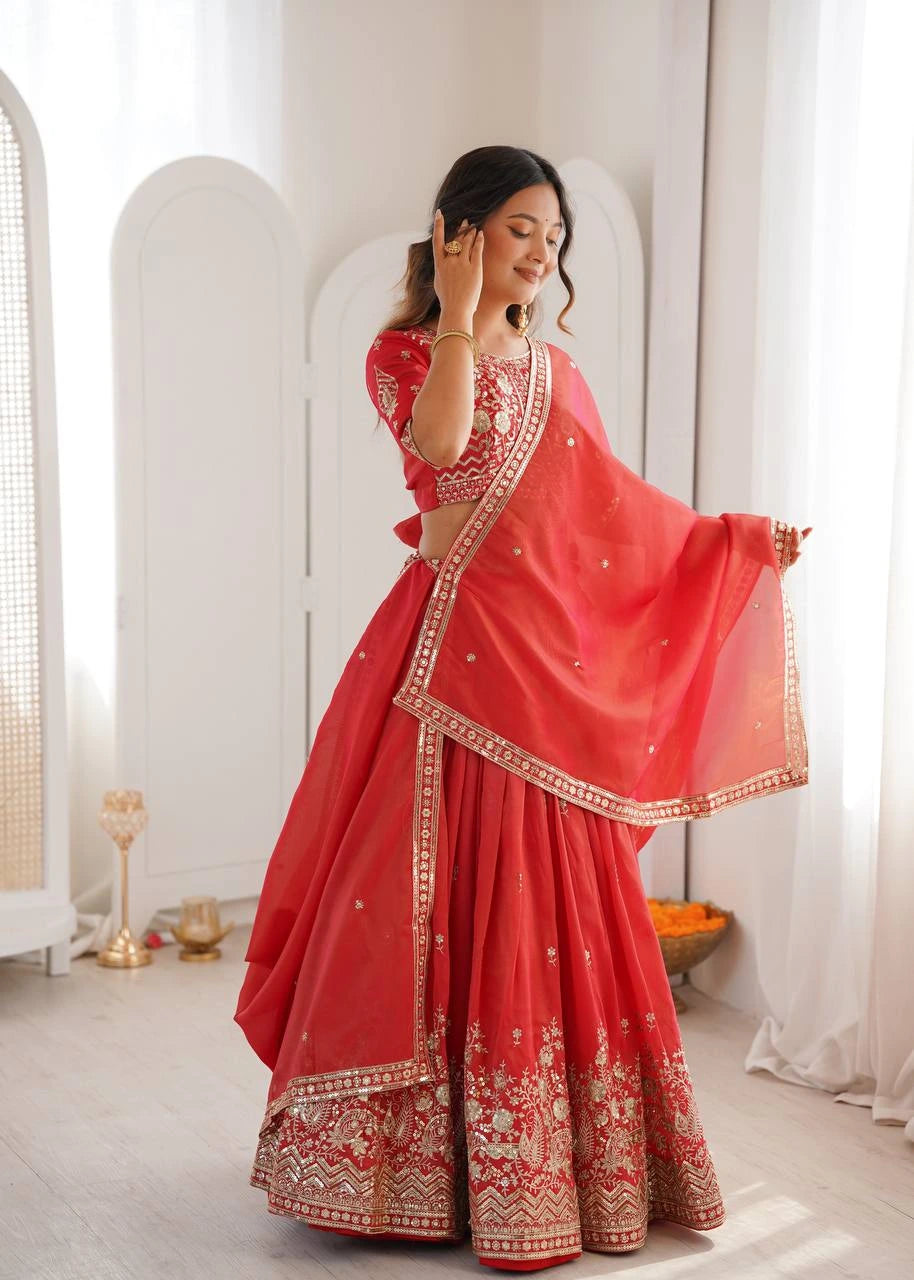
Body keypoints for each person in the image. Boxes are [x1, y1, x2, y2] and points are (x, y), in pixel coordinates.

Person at [235, 145, 812, 1272]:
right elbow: (443, 449)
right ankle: (400, 1172)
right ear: (457, 233)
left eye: (553, 236)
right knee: (404, 897)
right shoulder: (404, 352)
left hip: (538, 662)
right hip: (446, 653)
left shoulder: (560, 374)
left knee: (548, 902)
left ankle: (552, 1171)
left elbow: (612, 517)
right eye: (519, 229)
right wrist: (458, 317)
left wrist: (731, 545)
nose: (541, 252)